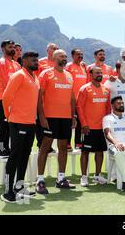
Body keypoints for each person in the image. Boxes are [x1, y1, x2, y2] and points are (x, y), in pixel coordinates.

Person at [0, 51, 40, 203]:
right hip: (18, 122)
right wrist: (8, 116)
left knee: (25, 155)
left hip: (31, 123)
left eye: (36, 60)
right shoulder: (19, 75)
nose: (36, 62)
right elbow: (6, 97)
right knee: (15, 155)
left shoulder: (35, 78)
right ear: (24, 61)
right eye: (32, 60)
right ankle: (9, 191)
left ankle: (19, 186)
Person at [36, 49, 77, 194]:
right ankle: (40, 180)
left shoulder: (69, 76)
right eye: (61, 56)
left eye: (66, 56)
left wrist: (73, 116)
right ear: (54, 58)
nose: (64, 58)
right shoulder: (46, 74)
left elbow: (72, 99)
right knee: (45, 147)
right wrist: (41, 116)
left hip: (65, 118)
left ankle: (61, 179)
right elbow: (39, 97)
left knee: (63, 147)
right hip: (49, 117)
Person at [76, 66, 111, 187]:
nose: (99, 74)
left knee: (100, 151)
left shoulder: (106, 90)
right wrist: (84, 124)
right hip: (88, 127)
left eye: (101, 73)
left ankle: (97, 176)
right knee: (85, 152)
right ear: (91, 75)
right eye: (97, 73)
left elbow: (107, 109)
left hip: (101, 128)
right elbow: (79, 107)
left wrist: (107, 125)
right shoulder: (84, 89)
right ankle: (84, 177)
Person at [0, 40, 21, 157]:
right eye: (10, 47)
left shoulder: (17, 65)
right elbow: (6, 83)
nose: (13, 49)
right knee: (4, 123)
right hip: (2, 98)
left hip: (14, 100)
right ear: (3, 48)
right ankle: (1, 148)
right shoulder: (1, 63)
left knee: (11, 125)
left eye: (13, 47)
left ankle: (7, 147)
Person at [66, 48, 88, 149]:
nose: (80, 56)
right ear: (72, 56)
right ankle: (67, 143)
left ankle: (78, 142)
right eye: (78, 54)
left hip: (81, 100)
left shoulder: (84, 67)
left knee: (80, 120)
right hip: (70, 99)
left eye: (81, 54)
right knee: (70, 121)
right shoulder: (69, 66)